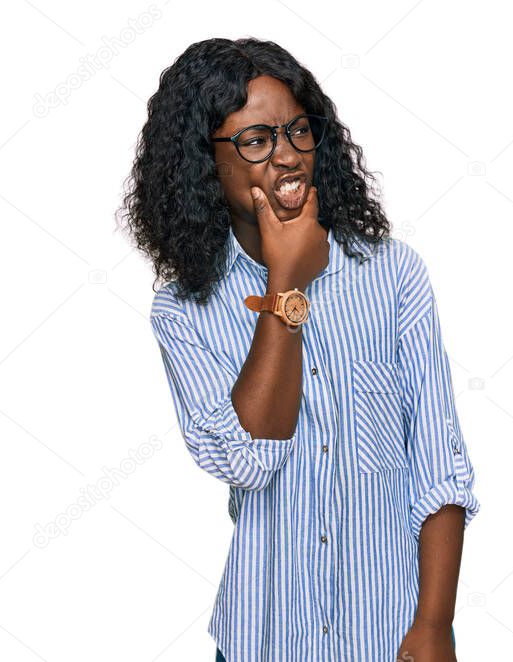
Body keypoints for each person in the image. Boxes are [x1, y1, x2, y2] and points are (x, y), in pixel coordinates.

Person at [119, 37, 480, 662]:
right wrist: (286, 285)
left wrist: (435, 624)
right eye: (256, 140)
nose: (286, 156)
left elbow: (439, 463)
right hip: (264, 637)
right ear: (205, 163)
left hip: (387, 633)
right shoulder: (184, 310)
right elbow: (247, 458)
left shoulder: (393, 275)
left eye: (297, 131)